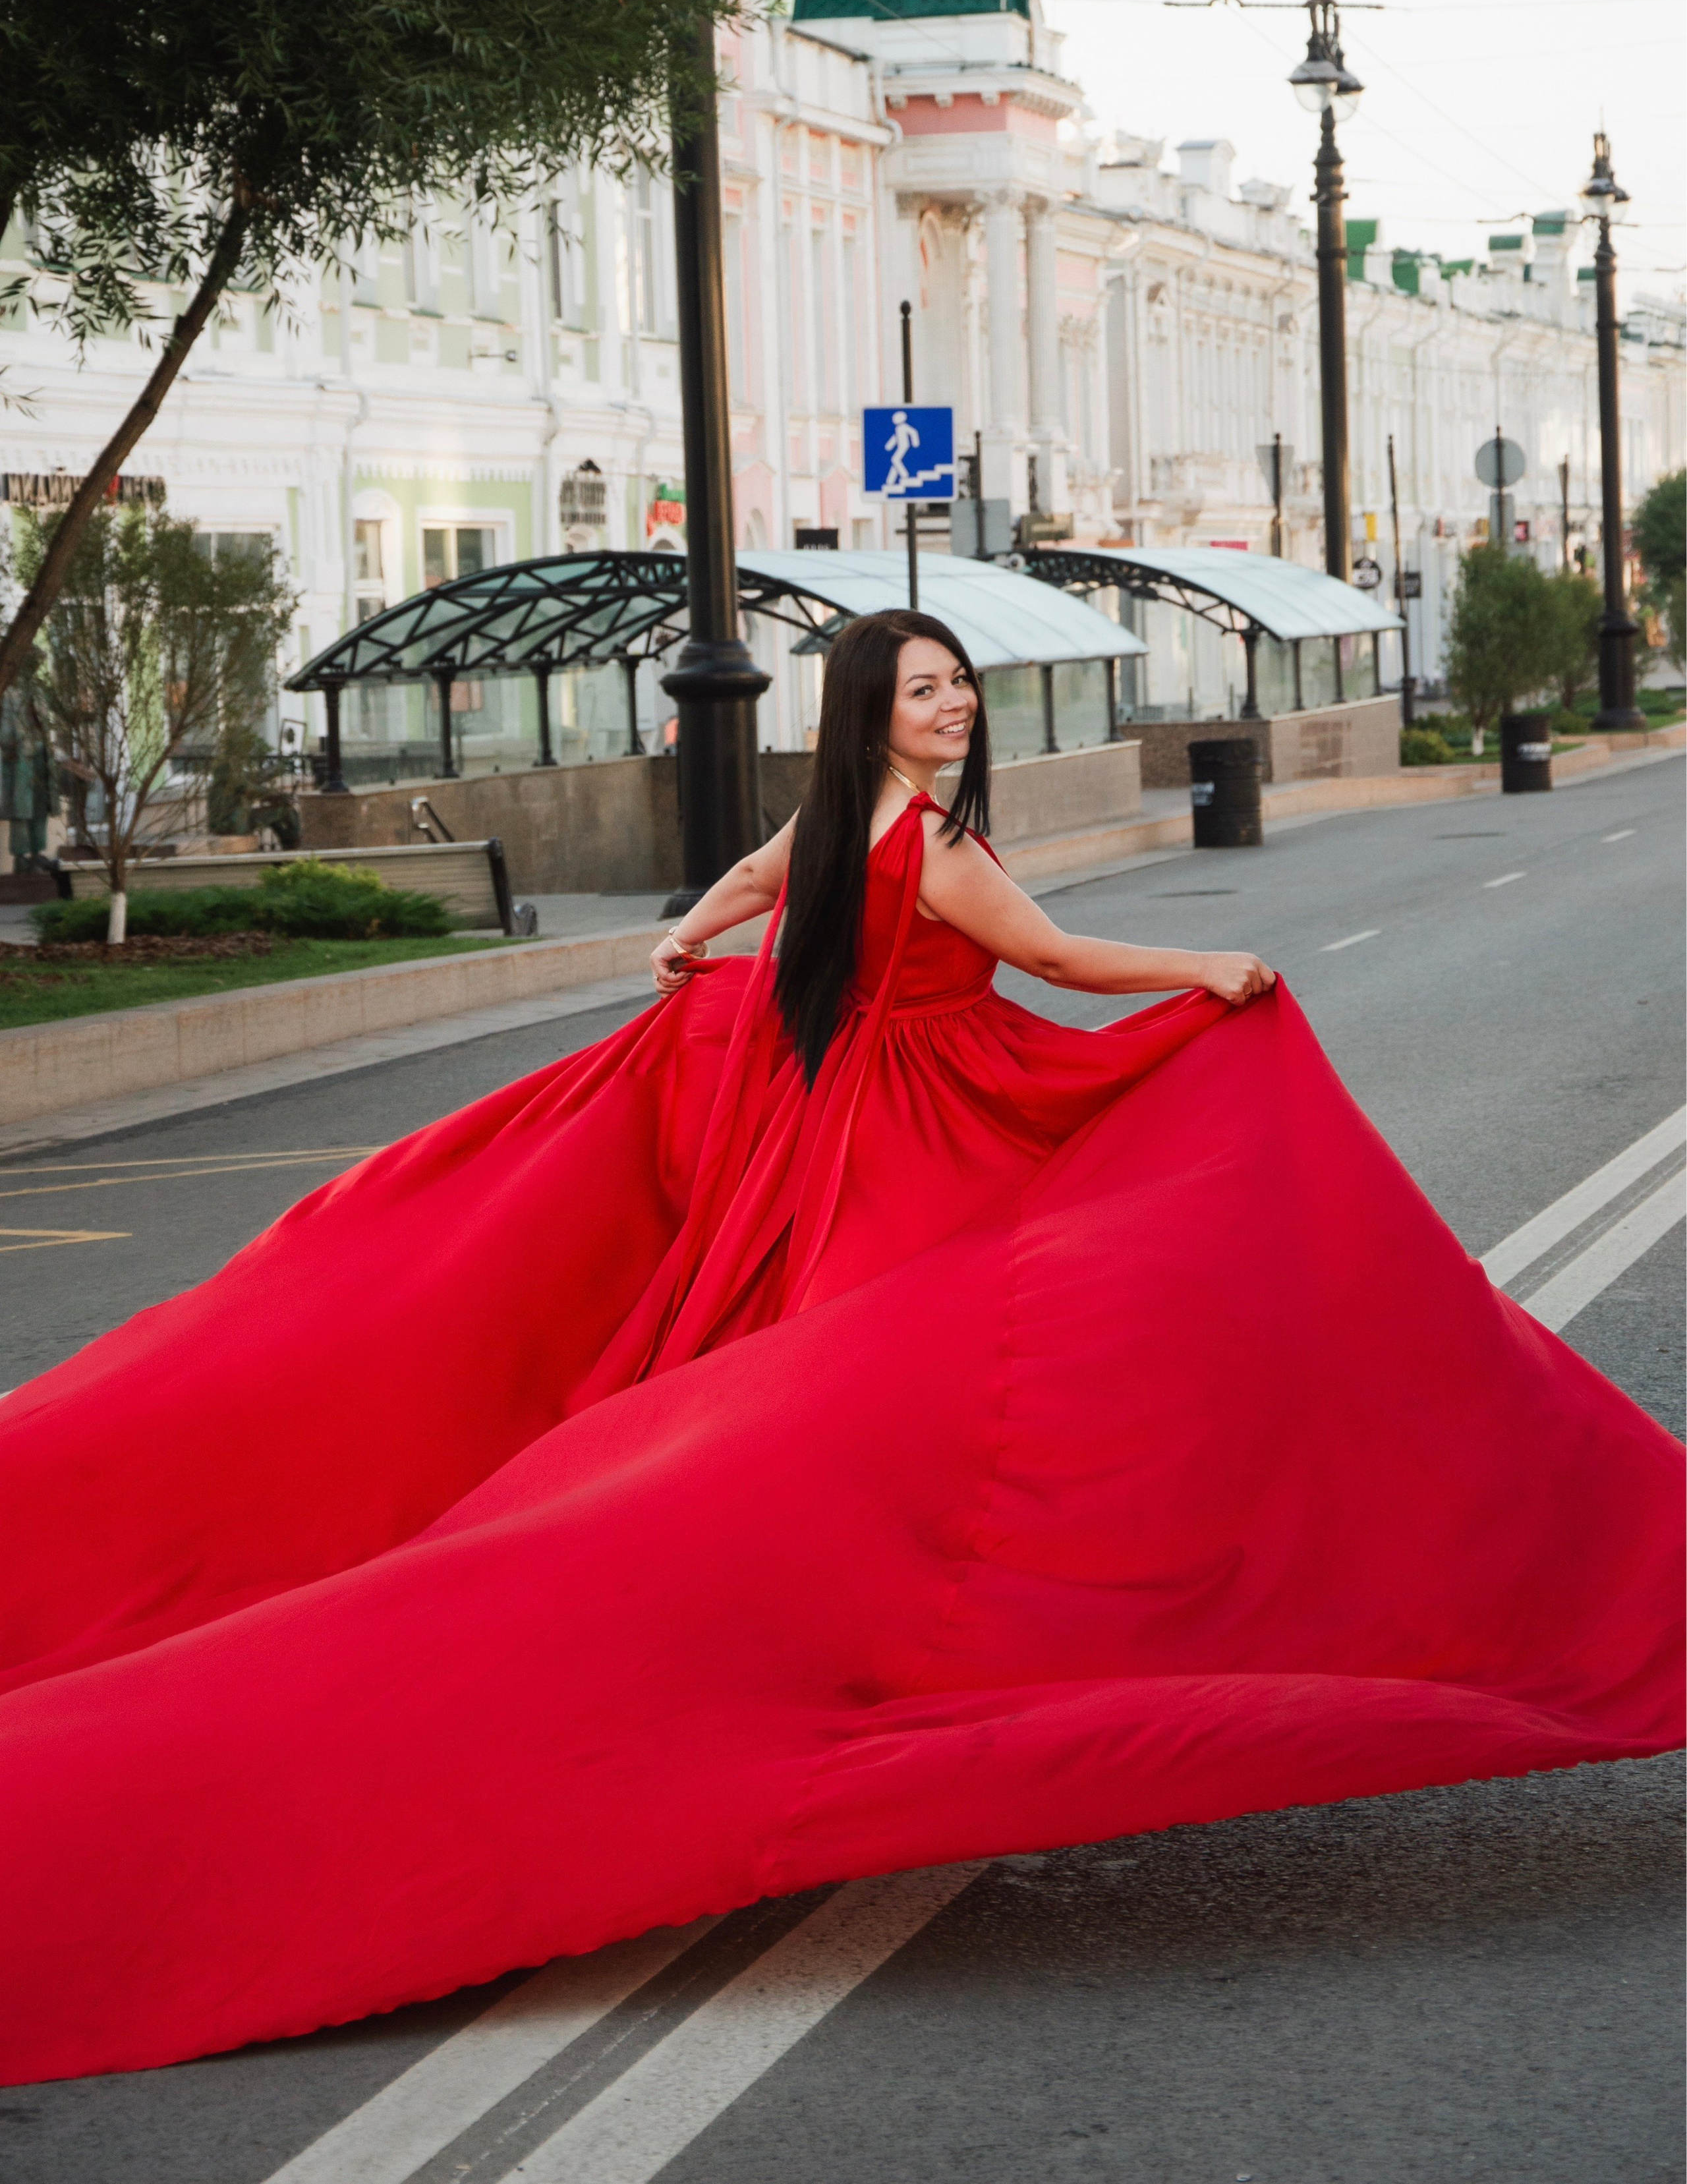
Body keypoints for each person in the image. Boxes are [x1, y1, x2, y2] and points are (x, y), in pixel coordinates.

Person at [0, 610, 1678, 2087]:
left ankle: (803, 1582)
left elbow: (754, 873)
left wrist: (691, 935)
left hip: (833, 1119)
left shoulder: (840, 819)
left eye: (960, 687)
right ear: (871, 705)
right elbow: (1058, 959)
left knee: (835, 1354)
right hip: (926, 1120)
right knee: (945, 1362)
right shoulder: (928, 844)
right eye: (926, 689)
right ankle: (839, 1612)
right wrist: (1210, 965)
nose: (953, 708)